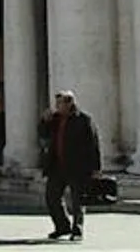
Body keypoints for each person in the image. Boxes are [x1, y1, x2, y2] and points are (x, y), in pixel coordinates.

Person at [38, 90, 102, 241]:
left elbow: (94, 144)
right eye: (57, 103)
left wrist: (96, 168)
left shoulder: (84, 120)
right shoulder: (55, 119)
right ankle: (62, 226)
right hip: (57, 166)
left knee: (78, 200)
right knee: (52, 197)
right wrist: (44, 121)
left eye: (60, 103)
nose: (57, 107)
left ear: (69, 103)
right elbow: (43, 134)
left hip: (78, 167)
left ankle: (77, 230)